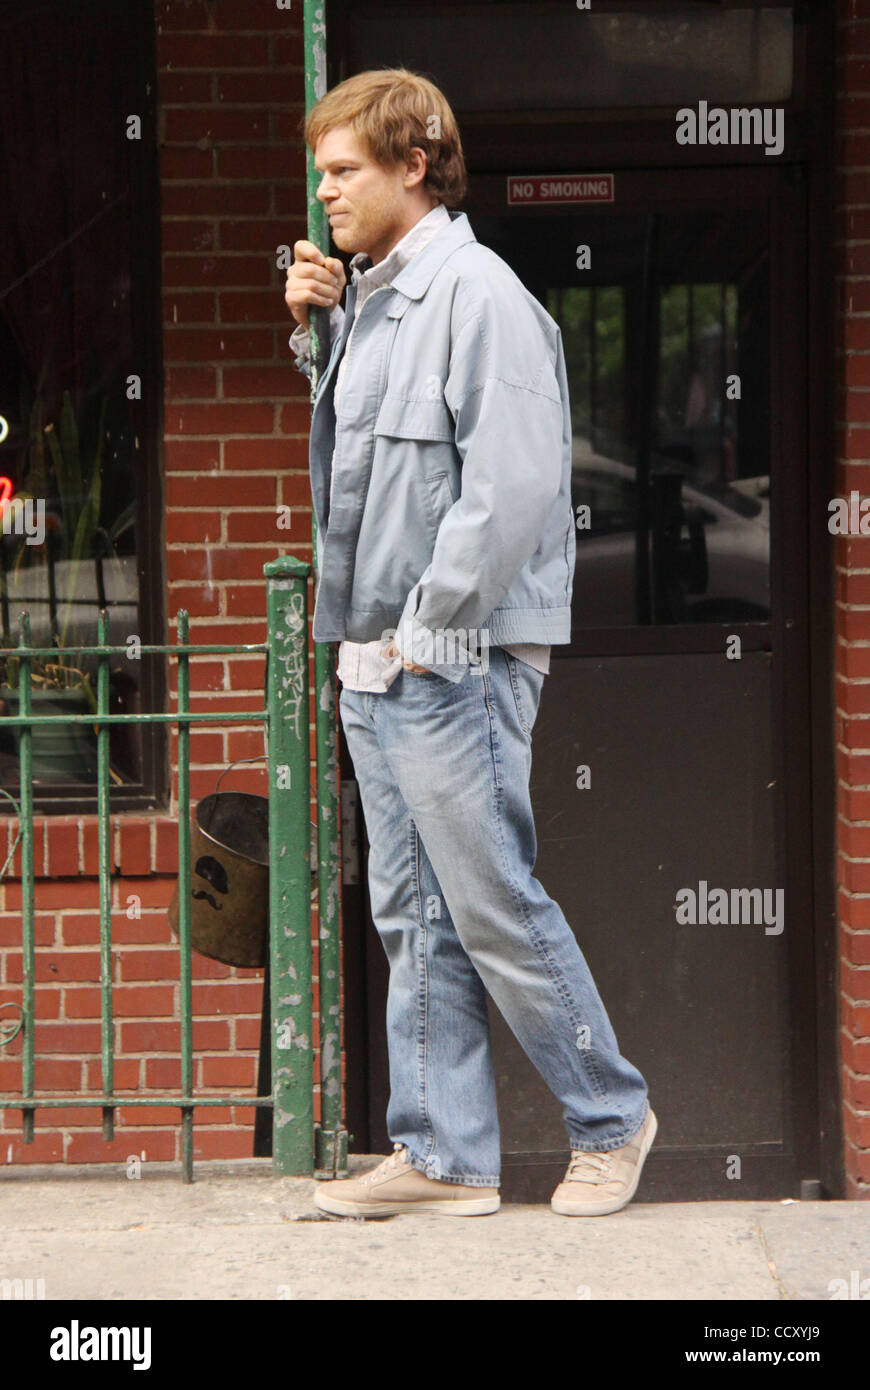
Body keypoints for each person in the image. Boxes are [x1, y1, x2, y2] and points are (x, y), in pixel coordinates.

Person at [284, 68, 655, 1218]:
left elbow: (510, 489)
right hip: (376, 657)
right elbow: (368, 475)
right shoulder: (377, 300)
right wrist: (318, 337)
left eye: (344, 170)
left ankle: (612, 1117)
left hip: (453, 658)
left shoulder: (480, 295)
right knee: (413, 915)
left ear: (414, 165)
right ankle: (445, 1157)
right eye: (322, 172)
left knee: (491, 901)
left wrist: (425, 632)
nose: (325, 191)